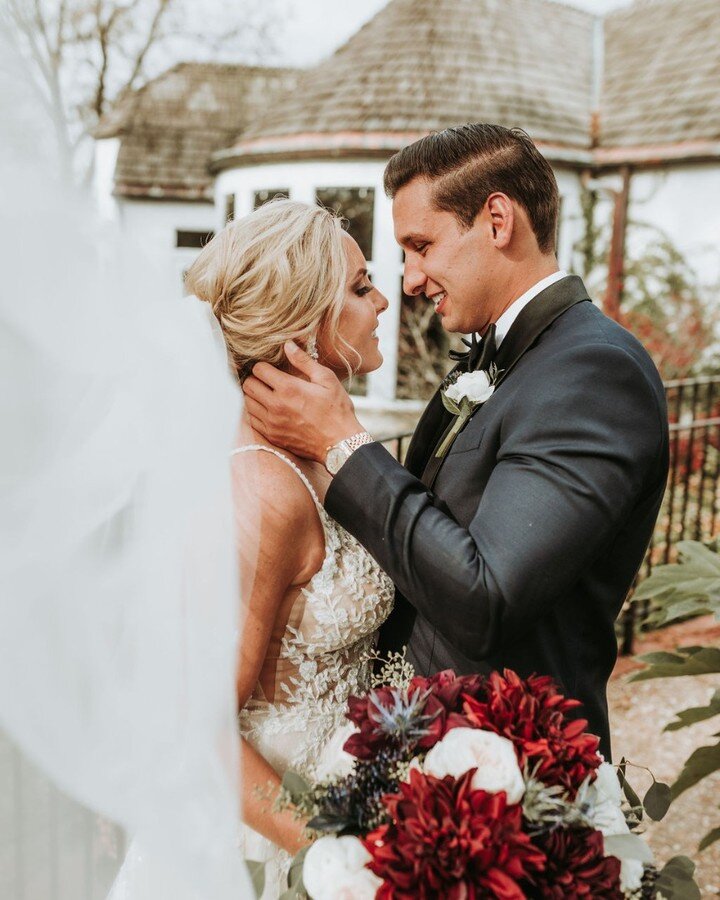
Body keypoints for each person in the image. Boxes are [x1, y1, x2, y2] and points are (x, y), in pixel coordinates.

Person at [242, 124, 670, 763]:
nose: (409, 280)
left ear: (498, 220)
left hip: (514, 786)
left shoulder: (594, 372)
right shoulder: (492, 360)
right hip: (407, 770)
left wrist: (345, 445)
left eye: (421, 245)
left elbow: (488, 596)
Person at [184, 199, 394, 895]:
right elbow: (200, 726)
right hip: (280, 846)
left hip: (356, 792)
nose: (384, 301)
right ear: (303, 321)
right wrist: (340, 862)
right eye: (361, 288)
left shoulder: (319, 449)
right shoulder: (262, 491)